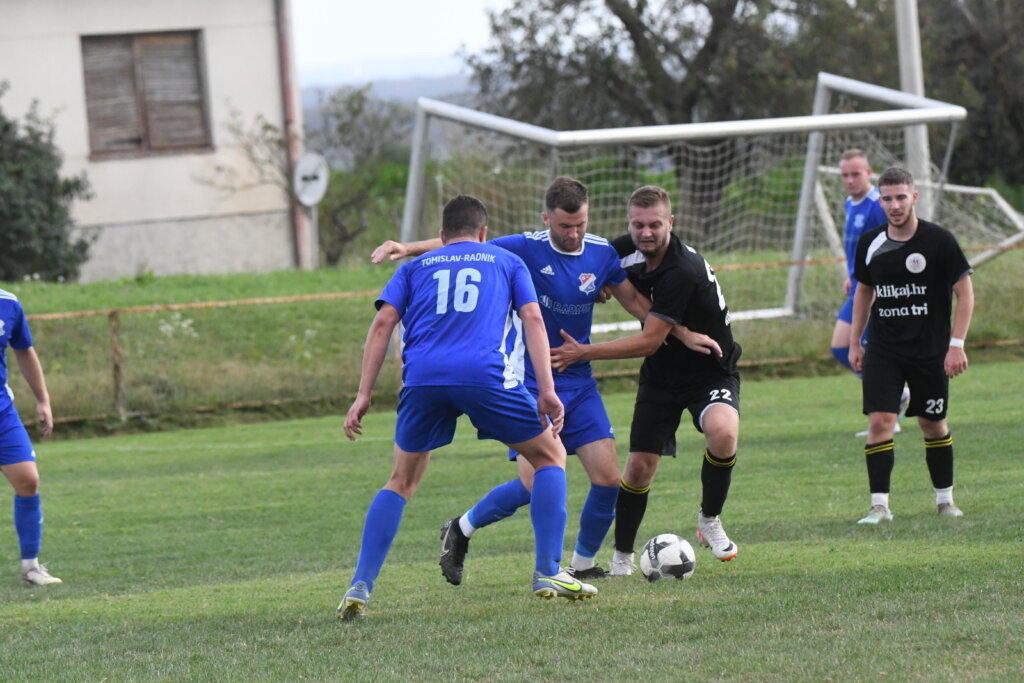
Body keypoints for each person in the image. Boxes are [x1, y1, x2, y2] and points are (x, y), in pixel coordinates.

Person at [371, 177, 719, 583]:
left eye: (580, 225)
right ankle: (461, 528)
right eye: (563, 227)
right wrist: (407, 248)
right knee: (535, 483)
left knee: (608, 480)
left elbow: (639, 306)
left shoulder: (601, 253)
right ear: (546, 219)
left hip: (580, 381)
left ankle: (583, 563)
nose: (573, 235)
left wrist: (681, 331)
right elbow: (463, 245)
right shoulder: (525, 247)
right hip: (531, 381)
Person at [338, 195, 597, 620]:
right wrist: (547, 390)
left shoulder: (413, 269)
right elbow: (533, 319)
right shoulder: (505, 261)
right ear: (483, 233)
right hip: (483, 375)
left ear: (441, 237)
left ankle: (360, 585)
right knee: (550, 456)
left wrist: (363, 395)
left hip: (422, 379)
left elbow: (383, 323)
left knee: (401, 481)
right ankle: (548, 572)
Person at [551, 185, 741, 574]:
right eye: (638, 224)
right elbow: (588, 271)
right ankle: (621, 558)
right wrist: (600, 286)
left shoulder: (682, 270)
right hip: (661, 377)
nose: (646, 232)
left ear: (670, 222)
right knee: (638, 468)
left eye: (655, 224)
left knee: (722, 432)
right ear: (629, 223)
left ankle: (709, 519)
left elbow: (649, 341)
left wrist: (583, 351)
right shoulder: (620, 249)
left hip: (709, 367)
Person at [848, 167, 974, 524]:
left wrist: (956, 344)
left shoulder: (939, 241)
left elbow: (964, 294)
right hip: (884, 349)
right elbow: (864, 291)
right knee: (880, 421)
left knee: (932, 424)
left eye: (901, 197)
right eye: (887, 198)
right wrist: (856, 342)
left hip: (930, 350)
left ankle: (945, 500)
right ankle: (879, 506)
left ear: (914, 197)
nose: (894, 205)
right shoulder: (871, 243)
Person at [830, 149, 909, 435]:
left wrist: (876, 286)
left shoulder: (878, 205)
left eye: (856, 174)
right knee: (845, 348)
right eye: (845, 175)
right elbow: (860, 249)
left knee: (856, 348)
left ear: (869, 173)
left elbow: (891, 245)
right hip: (859, 285)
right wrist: (852, 275)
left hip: (875, 289)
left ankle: (890, 406)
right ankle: (895, 399)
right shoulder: (850, 204)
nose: (850, 180)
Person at [1, 288, 62, 586]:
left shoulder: (8, 303)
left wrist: (42, 399)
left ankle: (31, 568)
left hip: (2, 413)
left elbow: (24, 348)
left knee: (28, 479)